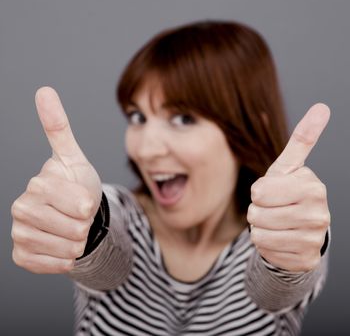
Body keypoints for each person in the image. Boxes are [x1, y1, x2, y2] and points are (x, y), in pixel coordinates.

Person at [11, 20, 331, 335]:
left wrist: (289, 257)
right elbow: (106, 260)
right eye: (137, 117)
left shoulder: (287, 229)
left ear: (249, 128)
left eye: (183, 118)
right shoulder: (118, 214)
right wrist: (84, 228)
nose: (146, 149)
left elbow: (275, 289)